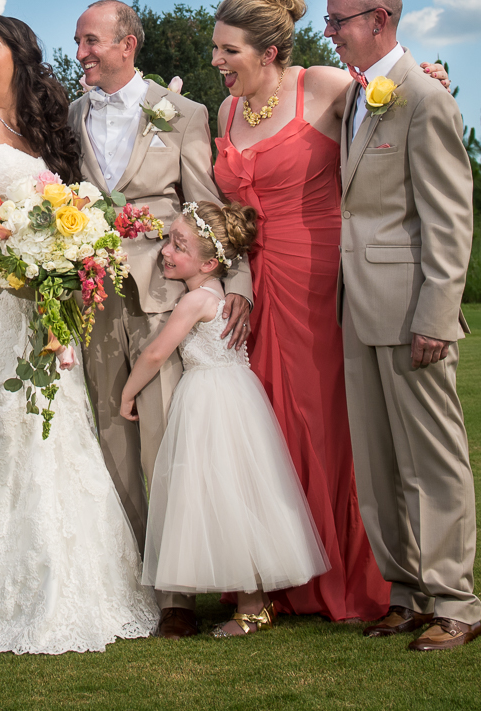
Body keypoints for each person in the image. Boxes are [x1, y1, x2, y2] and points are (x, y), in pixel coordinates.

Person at [0, 15, 158, 653]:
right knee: (1, 427)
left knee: (59, 425)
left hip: (45, 307)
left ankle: (78, 579)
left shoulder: (45, 135)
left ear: (19, 54)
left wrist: (66, 261)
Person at [211, 0, 394, 624]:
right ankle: (273, 577)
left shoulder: (322, 84)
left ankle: (344, 577)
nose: (217, 61)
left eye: (228, 50)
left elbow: (391, 106)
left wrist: (423, 79)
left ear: (270, 51)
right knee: (263, 430)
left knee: (324, 425)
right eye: (216, 48)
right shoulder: (229, 111)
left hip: (319, 275)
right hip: (250, 285)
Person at [69, 0, 252, 640]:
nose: (82, 53)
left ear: (129, 43)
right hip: (92, 295)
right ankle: (137, 580)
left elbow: (208, 207)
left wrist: (235, 287)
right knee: (110, 437)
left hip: (163, 294)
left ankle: (178, 593)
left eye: (91, 41)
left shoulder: (185, 114)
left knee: (165, 439)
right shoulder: (72, 113)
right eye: (78, 42)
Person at [323, 0, 481, 652]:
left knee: (434, 461)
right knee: (379, 462)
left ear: (379, 18)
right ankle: (406, 591)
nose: (329, 33)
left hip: (411, 309)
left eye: (339, 21)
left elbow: (450, 218)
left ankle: (456, 602)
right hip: (357, 308)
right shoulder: (355, 96)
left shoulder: (422, 96)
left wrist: (436, 315)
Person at [121, 201, 329, 638]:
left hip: (208, 401)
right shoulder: (218, 294)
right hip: (237, 396)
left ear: (210, 261)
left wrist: (127, 391)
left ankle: (253, 608)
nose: (165, 251)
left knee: (220, 494)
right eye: (169, 240)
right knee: (238, 494)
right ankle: (254, 601)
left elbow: (157, 352)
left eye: (179, 246)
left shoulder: (195, 301)